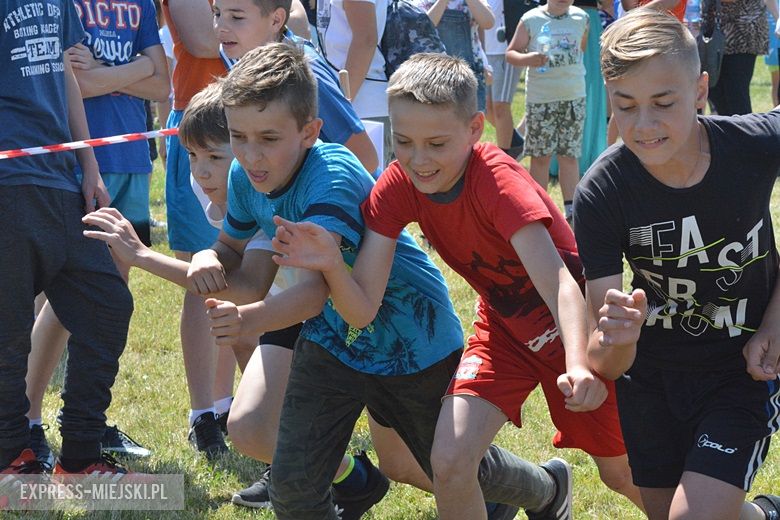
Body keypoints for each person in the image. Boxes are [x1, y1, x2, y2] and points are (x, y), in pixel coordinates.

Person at [193, 43, 573, 520]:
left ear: (310, 132)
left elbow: (315, 291)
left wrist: (248, 318)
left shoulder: (331, 177)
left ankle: (546, 489)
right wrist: (196, 260)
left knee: (438, 466)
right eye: (238, 136)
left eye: (267, 138)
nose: (250, 154)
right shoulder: (246, 177)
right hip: (333, 338)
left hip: (411, 340)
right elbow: (235, 255)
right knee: (293, 486)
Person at [270, 51, 646, 519]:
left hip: (570, 333)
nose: (418, 160)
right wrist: (331, 265)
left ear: (474, 129)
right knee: (448, 460)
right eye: (403, 141)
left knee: (623, 476)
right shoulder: (397, 184)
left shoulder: (498, 184)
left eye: (436, 143)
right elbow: (362, 309)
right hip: (504, 333)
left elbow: (561, 287)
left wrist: (580, 364)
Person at [573, 9, 780, 520]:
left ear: (701, 90)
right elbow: (605, 360)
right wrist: (617, 336)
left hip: (740, 372)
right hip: (651, 382)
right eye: (625, 107)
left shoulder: (753, 145)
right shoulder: (601, 193)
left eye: (663, 104)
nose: (643, 126)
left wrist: (775, 323)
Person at [22, 0, 169, 466]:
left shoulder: (137, 4)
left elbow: (162, 82)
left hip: (115, 163)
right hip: (53, 169)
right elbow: (75, 82)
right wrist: (135, 69)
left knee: (107, 297)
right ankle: (24, 427)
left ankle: (85, 429)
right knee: (52, 305)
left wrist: (109, 73)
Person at [0, 0, 134, 478]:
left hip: (63, 178)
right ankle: (11, 455)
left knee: (107, 305)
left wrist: (89, 162)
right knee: (8, 330)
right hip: (8, 181)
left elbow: (66, 75)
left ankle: (79, 453)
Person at [506, 0, 589, 223]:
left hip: (573, 97)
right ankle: (539, 208)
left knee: (569, 156)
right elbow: (511, 53)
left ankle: (571, 211)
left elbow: (580, 49)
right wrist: (528, 59)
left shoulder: (582, 18)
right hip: (541, 100)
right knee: (541, 157)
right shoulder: (531, 19)